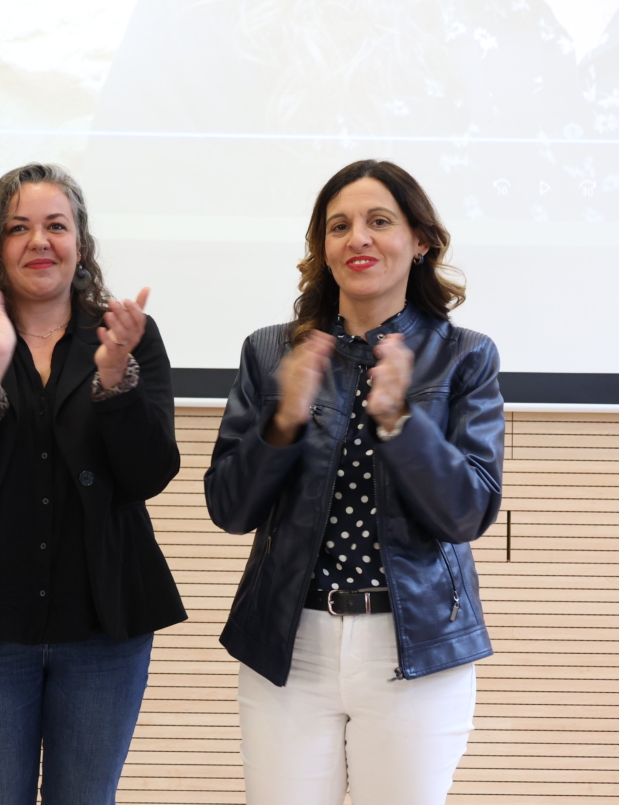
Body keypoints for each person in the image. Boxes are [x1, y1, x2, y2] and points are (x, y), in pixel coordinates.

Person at [204, 159, 504, 805]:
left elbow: (466, 514)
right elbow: (229, 508)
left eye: (379, 221)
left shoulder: (464, 356)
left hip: (414, 646)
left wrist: (401, 421)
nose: (356, 238)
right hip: (289, 643)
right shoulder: (269, 351)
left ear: (419, 240)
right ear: (321, 248)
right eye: (338, 226)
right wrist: (282, 421)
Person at [0, 163, 186, 804]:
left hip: (105, 627)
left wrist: (115, 382)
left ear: (80, 243)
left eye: (56, 226)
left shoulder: (127, 338)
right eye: (18, 227)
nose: (39, 241)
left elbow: (151, 473)